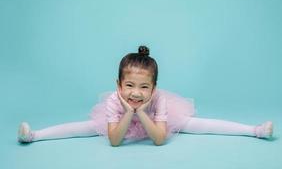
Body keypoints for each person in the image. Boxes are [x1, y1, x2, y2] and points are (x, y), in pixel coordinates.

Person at [18, 46, 273, 146]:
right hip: (123, 122)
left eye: (143, 87)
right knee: (82, 128)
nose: (135, 93)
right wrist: (129, 110)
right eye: (129, 85)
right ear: (118, 84)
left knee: (197, 124)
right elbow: (115, 142)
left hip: (154, 120)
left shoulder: (158, 99)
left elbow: (160, 140)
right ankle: (34, 136)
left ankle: (255, 130)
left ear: (153, 87)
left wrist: (141, 110)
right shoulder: (114, 100)